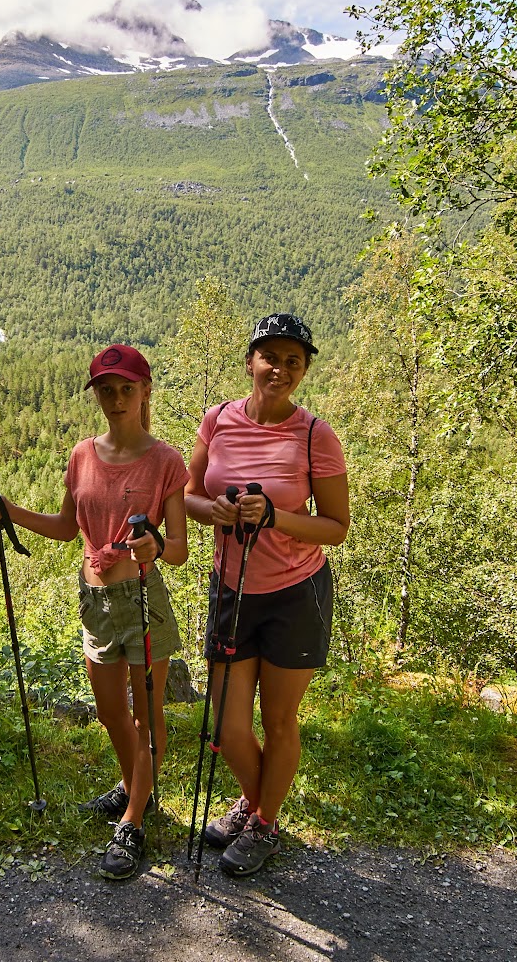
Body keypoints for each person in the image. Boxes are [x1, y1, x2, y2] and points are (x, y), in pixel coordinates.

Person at [0, 344, 188, 880]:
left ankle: (135, 820)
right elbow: (67, 527)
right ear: (95, 394)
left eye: (126, 389)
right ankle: (134, 788)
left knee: (146, 717)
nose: (116, 400)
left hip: (141, 597)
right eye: (106, 390)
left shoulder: (166, 460)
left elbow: (180, 549)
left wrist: (154, 547)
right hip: (93, 598)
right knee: (109, 713)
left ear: (145, 392)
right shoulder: (81, 456)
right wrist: (11, 515)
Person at [185, 312, 350, 876]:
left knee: (279, 721)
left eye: (293, 361)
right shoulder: (217, 421)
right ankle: (261, 811)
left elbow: (335, 527)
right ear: (250, 360)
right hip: (231, 588)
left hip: (295, 592)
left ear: (303, 372)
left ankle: (262, 822)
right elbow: (188, 496)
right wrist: (217, 510)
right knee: (229, 726)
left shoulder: (314, 435)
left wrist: (276, 516)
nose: (279, 369)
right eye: (270, 357)